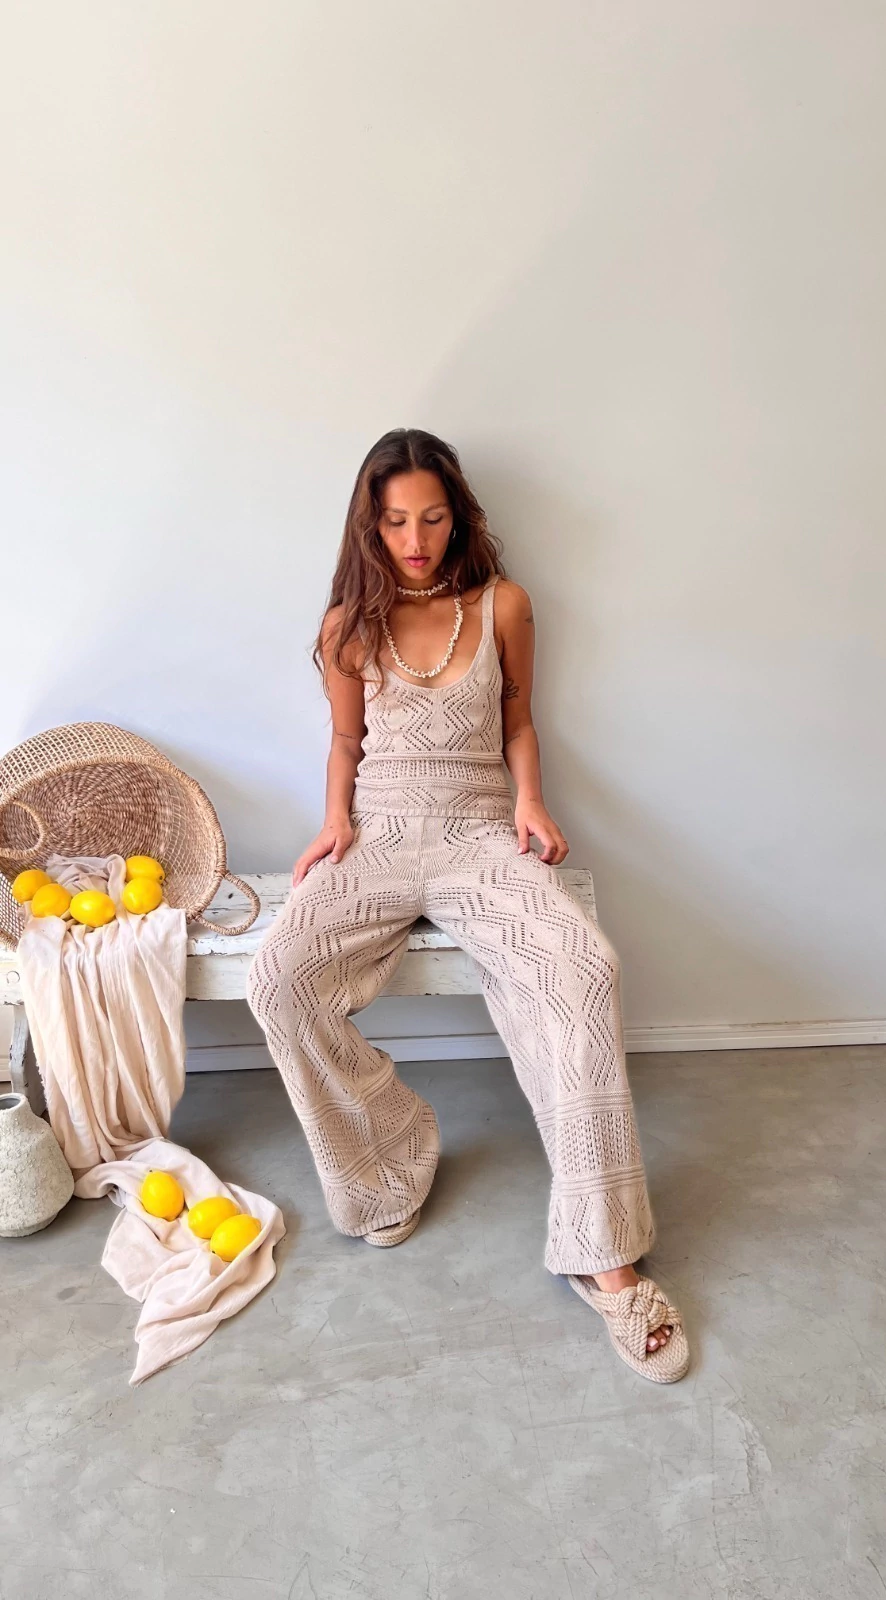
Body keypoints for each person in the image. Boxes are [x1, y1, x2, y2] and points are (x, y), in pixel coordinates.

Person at [247, 428, 689, 1383]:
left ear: (460, 516)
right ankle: (391, 1156)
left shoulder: (504, 605)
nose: (415, 540)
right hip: (377, 834)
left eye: (434, 518)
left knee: (585, 969)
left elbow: (519, 722)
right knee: (278, 977)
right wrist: (333, 822)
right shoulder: (345, 625)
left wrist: (531, 801)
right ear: (370, 525)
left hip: (482, 832)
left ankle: (606, 1254)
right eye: (396, 521)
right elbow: (345, 743)